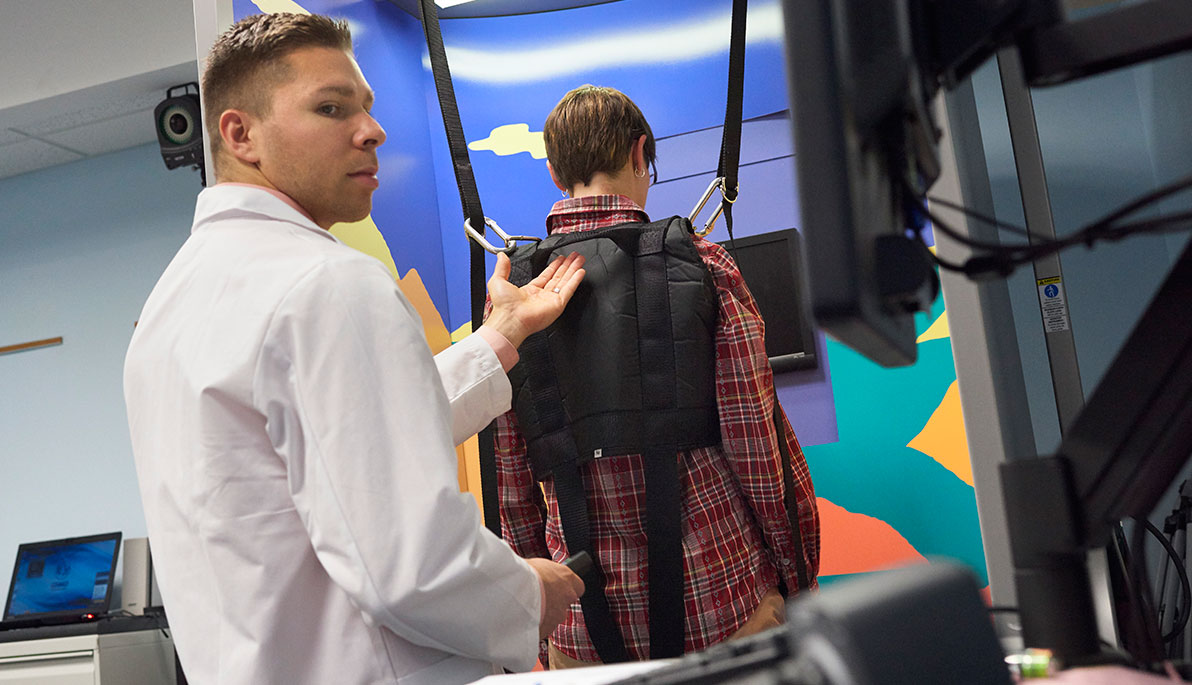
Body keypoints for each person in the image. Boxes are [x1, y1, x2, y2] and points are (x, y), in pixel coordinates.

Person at [123, 13, 586, 685]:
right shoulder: (329, 282)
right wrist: (529, 592)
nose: (371, 130)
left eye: (367, 107)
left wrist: (500, 337)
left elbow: (343, 445)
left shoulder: (167, 309)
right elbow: (412, 568)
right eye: (332, 108)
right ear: (239, 133)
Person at [492, 85, 821, 668]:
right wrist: (797, 575)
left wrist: (537, 613)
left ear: (552, 172)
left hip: (582, 636)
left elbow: (513, 487)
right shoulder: (703, 264)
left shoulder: (512, 300)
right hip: (725, 608)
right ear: (641, 153)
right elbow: (757, 445)